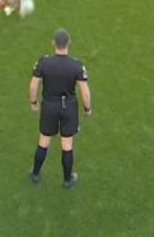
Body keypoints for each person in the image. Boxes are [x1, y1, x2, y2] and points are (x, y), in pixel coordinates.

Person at [29, 28, 91, 189]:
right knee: (67, 144)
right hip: (68, 107)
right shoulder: (76, 65)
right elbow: (84, 90)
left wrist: (34, 102)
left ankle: (35, 173)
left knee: (43, 140)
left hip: (49, 105)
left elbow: (34, 85)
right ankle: (67, 179)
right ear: (69, 43)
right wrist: (87, 108)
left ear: (53, 43)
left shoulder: (44, 62)